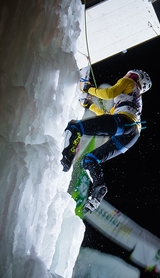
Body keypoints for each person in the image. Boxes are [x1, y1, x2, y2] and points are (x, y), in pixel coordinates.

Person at [61, 69, 152, 212]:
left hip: (124, 123)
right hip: (130, 135)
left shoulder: (129, 82)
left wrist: (88, 88)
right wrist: (90, 105)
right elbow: (106, 117)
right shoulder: (134, 99)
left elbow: (109, 93)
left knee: (75, 127)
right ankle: (99, 187)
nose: (126, 76)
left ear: (135, 77)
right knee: (89, 160)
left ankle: (65, 160)